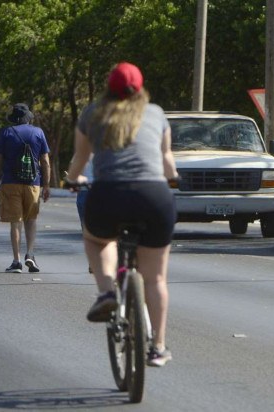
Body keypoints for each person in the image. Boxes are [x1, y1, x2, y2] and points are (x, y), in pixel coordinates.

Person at [65, 62, 177, 367]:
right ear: (140, 88)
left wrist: (72, 180)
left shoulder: (93, 113)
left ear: (108, 89)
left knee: (98, 240)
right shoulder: (155, 113)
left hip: (108, 195)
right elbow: (167, 159)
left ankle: (105, 293)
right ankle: (158, 347)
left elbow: (81, 157)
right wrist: (173, 177)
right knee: (155, 279)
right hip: (154, 197)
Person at [0, 103, 50, 273]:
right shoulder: (38, 132)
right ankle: (30, 254)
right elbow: (45, 161)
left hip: (10, 183)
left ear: (14, 119)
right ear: (28, 118)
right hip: (33, 184)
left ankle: (16, 261)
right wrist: (46, 185)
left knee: (16, 223)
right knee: (31, 220)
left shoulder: (6, 133)